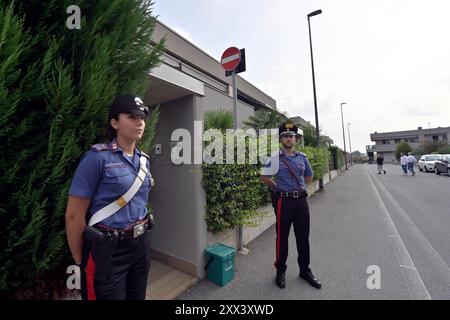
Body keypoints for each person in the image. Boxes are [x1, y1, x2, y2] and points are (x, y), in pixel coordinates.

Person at [65, 95, 155, 300]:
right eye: (132, 116)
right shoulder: (97, 158)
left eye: (142, 117)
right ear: (114, 122)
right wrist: (82, 261)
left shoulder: (144, 162)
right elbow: (73, 216)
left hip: (141, 246)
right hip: (108, 251)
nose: (139, 121)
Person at [260, 123, 321, 290]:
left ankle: (304, 270)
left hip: (301, 202)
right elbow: (264, 177)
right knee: (282, 239)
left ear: (295, 139)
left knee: (303, 237)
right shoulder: (275, 158)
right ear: (281, 139)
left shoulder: (302, 157)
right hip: (284, 203)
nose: (288, 138)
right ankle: (280, 271)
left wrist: (299, 190)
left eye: (291, 136)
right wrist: (279, 188)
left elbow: (308, 176)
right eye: (285, 136)